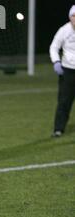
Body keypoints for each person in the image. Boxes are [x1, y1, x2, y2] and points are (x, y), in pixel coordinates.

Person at [49, 5, 75, 138]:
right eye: (74, 16)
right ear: (70, 17)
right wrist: (56, 62)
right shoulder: (64, 30)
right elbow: (54, 47)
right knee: (64, 101)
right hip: (68, 71)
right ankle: (58, 129)